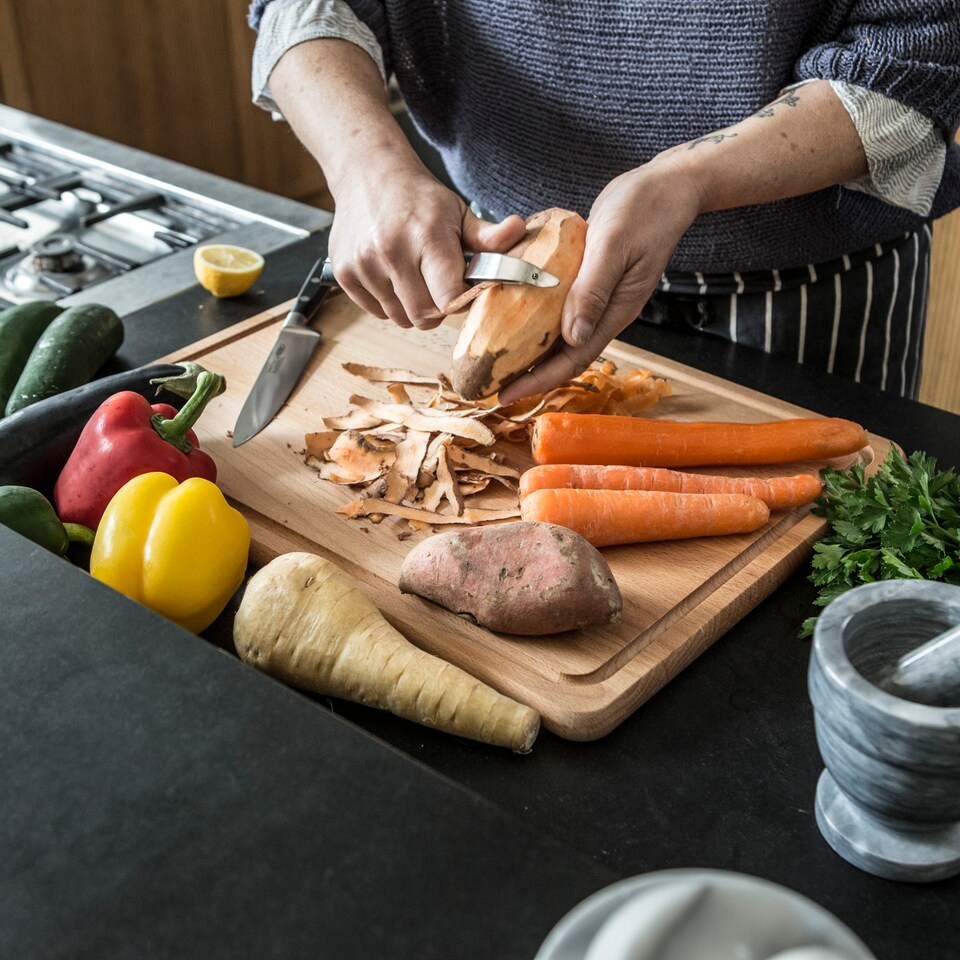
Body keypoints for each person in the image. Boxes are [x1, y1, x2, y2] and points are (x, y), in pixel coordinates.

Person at [246, 0, 960, 403]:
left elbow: (915, 56)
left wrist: (684, 178)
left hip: (811, 288)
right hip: (508, 268)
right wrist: (365, 167)